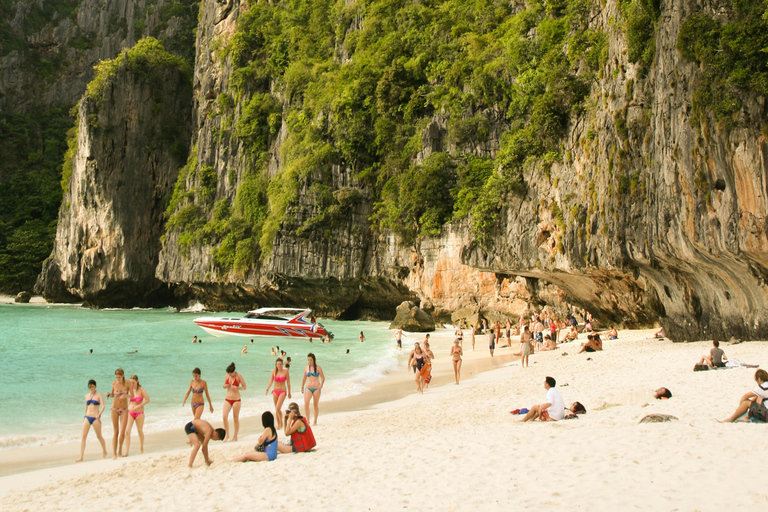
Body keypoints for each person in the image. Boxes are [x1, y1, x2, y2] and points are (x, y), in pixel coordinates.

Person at [76, 379, 107, 462]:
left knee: (99, 436)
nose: (91, 388)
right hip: (87, 417)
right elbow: (86, 407)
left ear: (95, 386)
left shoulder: (99, 395)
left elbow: (103, 406)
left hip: (95, 417)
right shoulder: (86, 396)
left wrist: (99, 414)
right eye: (90, 387)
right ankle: (81, 456)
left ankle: (104, 452)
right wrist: (85, 416)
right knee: (83, 436)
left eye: (92, 386)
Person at [106, 368, 129, 459]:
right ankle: (114, 453)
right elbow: (112, 395)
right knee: (116, 431)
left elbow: (132, 395)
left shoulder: (127, 383)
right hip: (114, 408)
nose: (117, 379)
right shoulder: (114, 383)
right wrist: (108, 395)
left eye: (119, 377)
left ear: (123, 375)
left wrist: (126, 395)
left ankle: (120, 450)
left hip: (124, 409)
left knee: (122, 432)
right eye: (116, 377)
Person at [123, 374, 149, 456]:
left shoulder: (141, 389)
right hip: (130, 413)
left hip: (139, 413)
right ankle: (126, 451)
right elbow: (128, 400)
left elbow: (148, 399)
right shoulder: (130, 390)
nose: (132, 384)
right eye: (130, 382)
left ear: (137, 381)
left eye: (133, 382)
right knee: (127, 431)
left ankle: (141, 448)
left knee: (139, 431)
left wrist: (138, 406)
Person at [223, 362, 246, 442]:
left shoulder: (239, 376)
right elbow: (224, 385)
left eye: (231, 374)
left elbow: (244, 387)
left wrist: (237, 388)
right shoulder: (227, 376)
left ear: (234, 371)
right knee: (224, 416)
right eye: (229, 374)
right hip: (228, 398)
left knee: (235, 418)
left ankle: (235, 436)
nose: (230, 375)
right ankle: (227, 434)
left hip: (236, 399)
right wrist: (225, 386)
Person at [266, 358, 291, 429]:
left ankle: (281, 423)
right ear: (276, 365)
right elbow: (270, 381)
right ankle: (279, 424)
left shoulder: (285, 372)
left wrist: (289, 392)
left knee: (277, 408)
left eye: (280, 364)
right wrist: (267, 388)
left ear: (282, 364)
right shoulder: (274, 372)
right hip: (275, 391)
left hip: (282, 391)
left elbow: (288, 383)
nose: (279, 365)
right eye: (278, 364)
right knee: (276, 409)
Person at [302, 353, 325, 426]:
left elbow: (323, 377)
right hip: (308, 387)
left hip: (316, 388)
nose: (309, 361)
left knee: (315, 404)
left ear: (314, 360)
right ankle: (308, 420)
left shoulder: (318, 367)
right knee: (306, 403)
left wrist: (321, 384)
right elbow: (304, 378)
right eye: (308, 360)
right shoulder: (306, 368)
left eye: (311, 360)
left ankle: (315, 421)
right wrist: (302, 387)